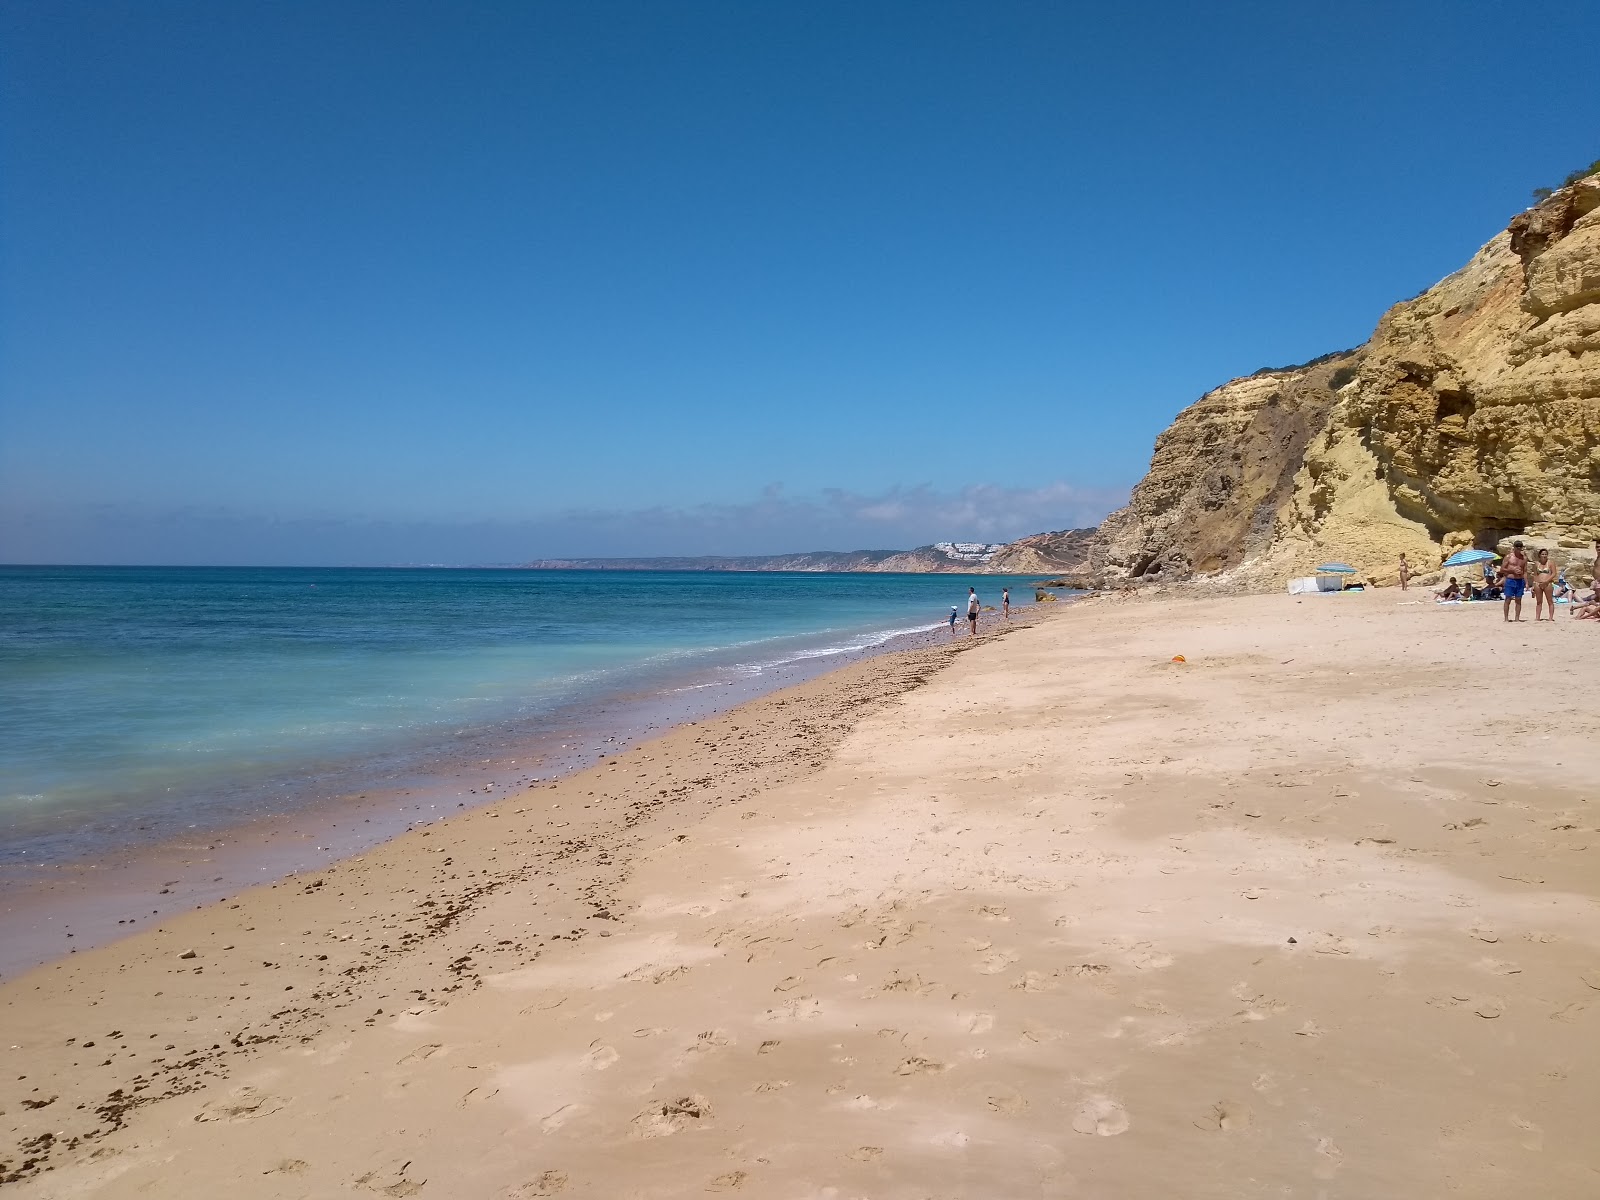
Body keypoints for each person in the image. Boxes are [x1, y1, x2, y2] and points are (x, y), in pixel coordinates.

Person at [1498, 540, 1528, 623]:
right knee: (1508, 599)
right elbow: (1502, 569)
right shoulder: (1509, 557)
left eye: (1520, 547)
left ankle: (1517, 618)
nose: (1518, 548)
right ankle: (1506, 618)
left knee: (1518, 599)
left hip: (1520, 580)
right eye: (1517, 546)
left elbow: (1525, 571)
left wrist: (1527, 583)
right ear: (1514, 547)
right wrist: (1512, 570)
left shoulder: (1524, 558)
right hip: (1510, 580)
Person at [1531, 548, 1558, 621]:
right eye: (1543, 554)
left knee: (1550, 601)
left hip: (1548, 583)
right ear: (1540, 555)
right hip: (1538, 583)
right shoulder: (1536, 563)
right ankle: (1537, 617)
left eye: (1545, 554)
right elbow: (1535, 575)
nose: (1544, 555)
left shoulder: (1550, 563)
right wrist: (1534, 584)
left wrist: (1547, 581)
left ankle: (1551, 617)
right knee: (1539, 602)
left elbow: (1554, 573)